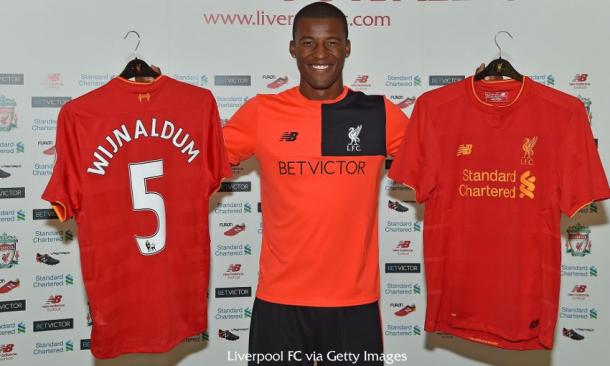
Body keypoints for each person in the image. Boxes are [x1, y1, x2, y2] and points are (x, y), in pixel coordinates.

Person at [223, 2, 409, 365]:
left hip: (354, 305)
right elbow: (193, 160)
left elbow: (441, 160)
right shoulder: (262, 113)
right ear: (293, 49)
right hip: (280, 302)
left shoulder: (378, 113)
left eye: (332, 43)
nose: (320, 54)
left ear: (348, 48)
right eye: (308, 43)